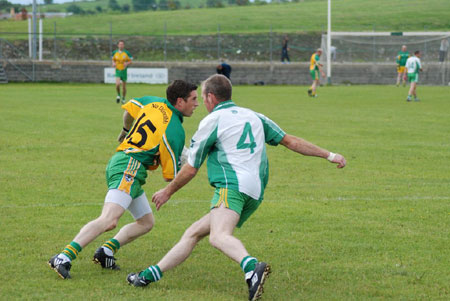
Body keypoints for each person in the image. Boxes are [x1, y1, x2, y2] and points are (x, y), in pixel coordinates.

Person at [126, 74, 346, 300]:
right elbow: (290, 141)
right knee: (194, 232)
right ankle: (148, 276)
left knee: (218, 236)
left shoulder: (213, 121)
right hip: (255, 191)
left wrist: (167, 191)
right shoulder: (254, 116)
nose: (201, 103)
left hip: (232, 187)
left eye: (202, 97)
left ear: (210, 97)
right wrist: (329, 155)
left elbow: (191, 168)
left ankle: (252, 268)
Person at [48, 80, 199, 279]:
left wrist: (126, 131)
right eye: (194, 99)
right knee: (109, 219)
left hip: (124, 162)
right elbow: (169, 176)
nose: (197, 104)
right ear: (180, 101)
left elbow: (128, 111)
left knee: (146, 222)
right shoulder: (175, 131)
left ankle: (106, 252)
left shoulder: (153, 102)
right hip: (130, 167)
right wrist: (184, 160)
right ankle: (63, 257)